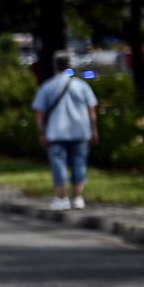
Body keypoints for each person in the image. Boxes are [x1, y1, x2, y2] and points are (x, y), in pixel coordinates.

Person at [32, 50, 99, 211]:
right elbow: (91, 110)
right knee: (79, 164)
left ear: (55, 65)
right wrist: (94, 130)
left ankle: (61, 197)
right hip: (79, 131)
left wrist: (41, 132)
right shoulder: (82, 86)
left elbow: (39, 113)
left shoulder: (47, 86)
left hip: (56, 132)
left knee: (58, 164)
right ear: (70, 65)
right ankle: (77, 197)